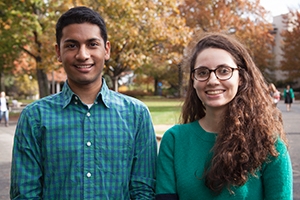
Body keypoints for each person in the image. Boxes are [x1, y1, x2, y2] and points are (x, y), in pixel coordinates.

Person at [10, 6, 157, 199]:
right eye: (71, 45)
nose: (82, 54)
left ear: (106, 50)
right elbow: (25, 193)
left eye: (92, 44)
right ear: (58, 52)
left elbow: (144, 191)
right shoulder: (35, 117)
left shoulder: (137, 115)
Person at [156, 32, 292, 199]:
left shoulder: (269, 144)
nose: (213, 80)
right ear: (193, 80)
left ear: (241, 78)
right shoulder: (175, 140)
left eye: (224, 70)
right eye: (203, 72)